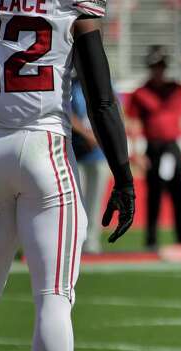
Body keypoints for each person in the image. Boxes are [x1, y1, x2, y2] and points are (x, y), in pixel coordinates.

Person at [0, 0, 135, 351]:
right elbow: (100, 96)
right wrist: (124, 174)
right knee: (54, 296)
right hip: (44, 148)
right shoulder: (72, 6)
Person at [127, 46, 181, 250]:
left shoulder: (175, 88)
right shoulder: (141, 93)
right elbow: (132, 122)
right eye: (156, 66)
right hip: (154, 148)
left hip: (172, 147)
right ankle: (151, 239)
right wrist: (136, 152)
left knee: (180, 193)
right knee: (154, 195)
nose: (159, 70)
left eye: (162, 66)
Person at [71, 77, 110, 254]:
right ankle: (75, 240)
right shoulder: (71, 85)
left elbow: (112, 111)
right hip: (77, 151)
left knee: (96, 200)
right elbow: (67, 113)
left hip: (99, 153)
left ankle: (92, 240)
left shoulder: (104, 84)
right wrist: (87, 134)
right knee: (77, 200)